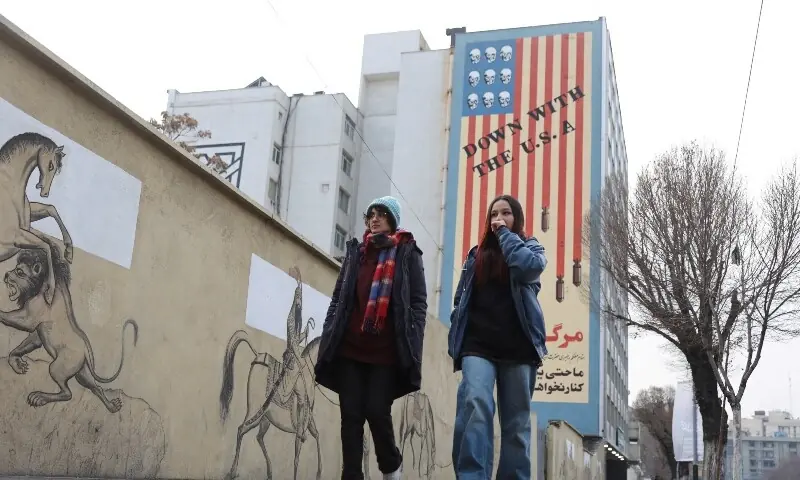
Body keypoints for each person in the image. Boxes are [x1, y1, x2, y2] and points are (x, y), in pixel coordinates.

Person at [315, 195, 428, 480]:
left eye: (381, 213)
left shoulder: (407, 252)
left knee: (377, 411)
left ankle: (390, 468)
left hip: (386, 352)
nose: (374, 218)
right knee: (350, 415)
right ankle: (351, 475)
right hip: (350, 348)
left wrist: (414, 339)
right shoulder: (357, 252)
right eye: (371, 214)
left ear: (392, 220)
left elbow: (418, 302)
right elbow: (339, 296)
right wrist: (330, 327)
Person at [448, 194, 548, 480]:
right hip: (477, 345)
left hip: (518, 347)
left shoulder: (530, 248)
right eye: (494, 214)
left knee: (516, 425)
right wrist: (457, 331)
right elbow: (460, 300)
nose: (499, 218)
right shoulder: (474, 255)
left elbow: (528, 268)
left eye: (506, 213)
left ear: (517, 218)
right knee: (475, 406)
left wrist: (506, 235)